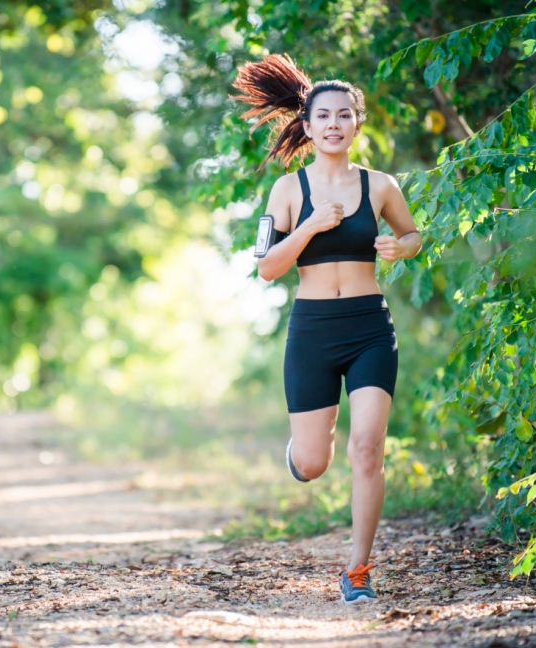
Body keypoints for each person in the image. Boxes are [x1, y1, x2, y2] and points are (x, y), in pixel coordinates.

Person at [231, 53, 422, 604]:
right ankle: (301, 451)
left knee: (368, 447)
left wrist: (399, 246)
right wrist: (310, 226)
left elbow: (413, 236)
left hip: (368, 327)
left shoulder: (380, 185)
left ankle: (358, 572)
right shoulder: (288, 191)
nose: (334, 124)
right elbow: (267, 267)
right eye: (324, 117)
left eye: (344, 115)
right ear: (308, 126)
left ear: (357, 123)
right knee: (316, 464)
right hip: (313, 329)